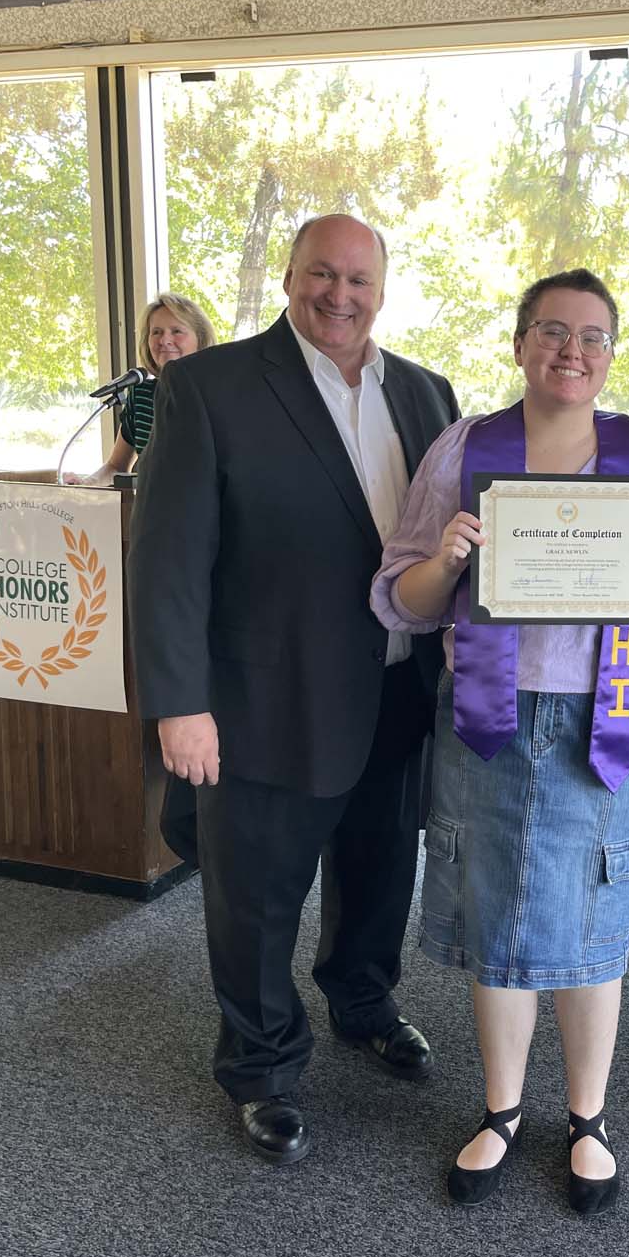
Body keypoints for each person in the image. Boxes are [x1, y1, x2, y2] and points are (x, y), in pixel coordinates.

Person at [372, 268, 629, 1215]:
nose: (573, 351)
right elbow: (396, 595)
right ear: (520, 341)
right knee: (497, 914)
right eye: (553, 332)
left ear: (613, 353)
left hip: (604, 719)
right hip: (487, 715)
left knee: (592, 914)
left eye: (593, 336)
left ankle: (589, 1116)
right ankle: (500, 1110)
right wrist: (445, 560)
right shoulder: (464, 448)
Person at [128, 214, 459, 1166]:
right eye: (322, 274)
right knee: (255, 896)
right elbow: (167, 563)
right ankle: (262, 1065)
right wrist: (177, 705)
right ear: (288, 277)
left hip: (396, 695)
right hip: (260, 702)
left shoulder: (428, 394)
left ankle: (362, 1001)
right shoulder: (209, 386)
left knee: (381, 869)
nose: (340, 295)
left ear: (383, 289)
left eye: (360, 279)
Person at [63, 293, 215, 485]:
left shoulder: (219, 394)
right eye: (156, 332)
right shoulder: (141, 393)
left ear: (200, 339)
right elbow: (116, 466)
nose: (164, 340)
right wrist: (87, 483)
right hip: (154, 511)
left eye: (176, 331)